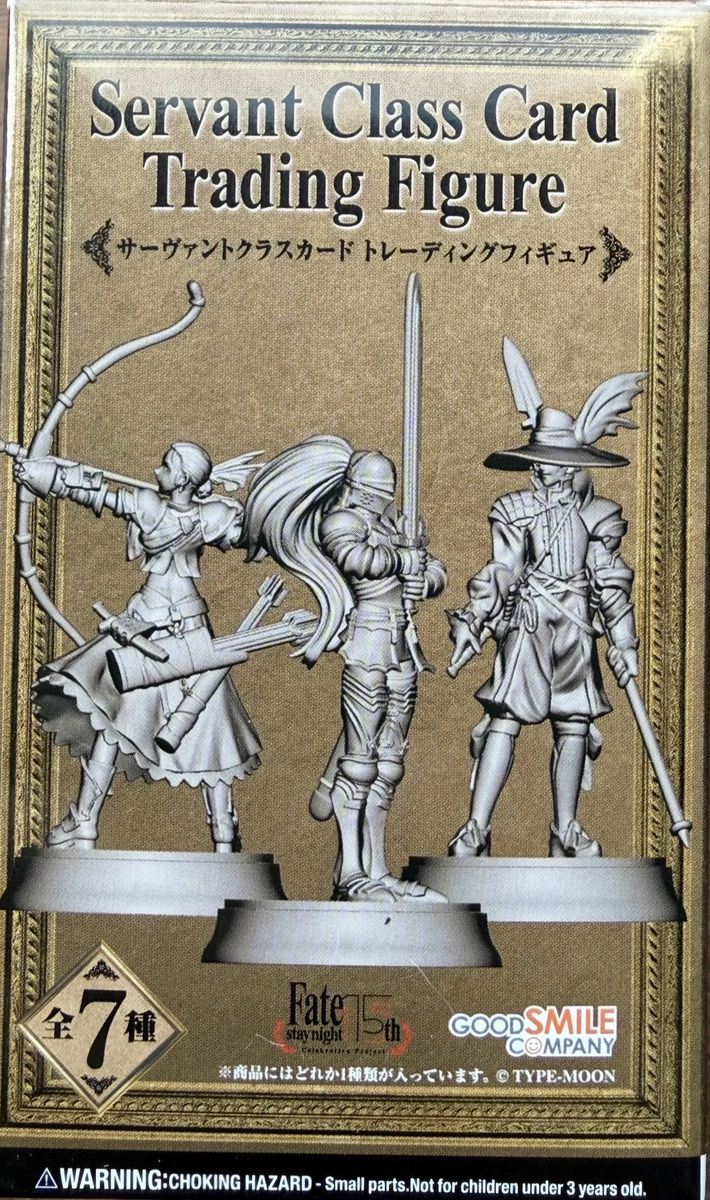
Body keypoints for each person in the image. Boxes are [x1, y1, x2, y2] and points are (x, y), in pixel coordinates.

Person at [447, 340, 645, 858]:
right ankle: (476, 827)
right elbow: (502, 570)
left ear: (571, 465)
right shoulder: (514, 509)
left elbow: (610, 581)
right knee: (505, 717)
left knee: (574, 723)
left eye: (553, 464)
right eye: (539, 463)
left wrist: (624, 643)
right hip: (531, 621)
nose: (543, 472)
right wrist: (475, 617)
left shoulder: (598, 515)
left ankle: (566, 828)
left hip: (575, 624)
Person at [14, 442, 261, 852]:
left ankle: (222, 832)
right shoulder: (185, 510)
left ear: (183, 478)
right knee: (117, 720)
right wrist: (48, 477)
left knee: (201, 726)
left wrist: (252, 521)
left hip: (176, 630)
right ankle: (86, 821)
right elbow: (94, 491)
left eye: (167, 465)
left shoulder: (184, 511)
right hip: (154, 625)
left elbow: (251, 539)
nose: (157, 470)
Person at [241, 434, 446, 902]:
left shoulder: (397, 524)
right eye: (378, 493)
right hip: (368, 641)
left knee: (390, 762)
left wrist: (425, 578)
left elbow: (434, 570)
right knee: (358, 762)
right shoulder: (341, 521)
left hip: (403, 645)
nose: (382, 501)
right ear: (362, 490)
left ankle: (376, 868)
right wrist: (403, 559)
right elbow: (356, 560)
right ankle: (350, 873)